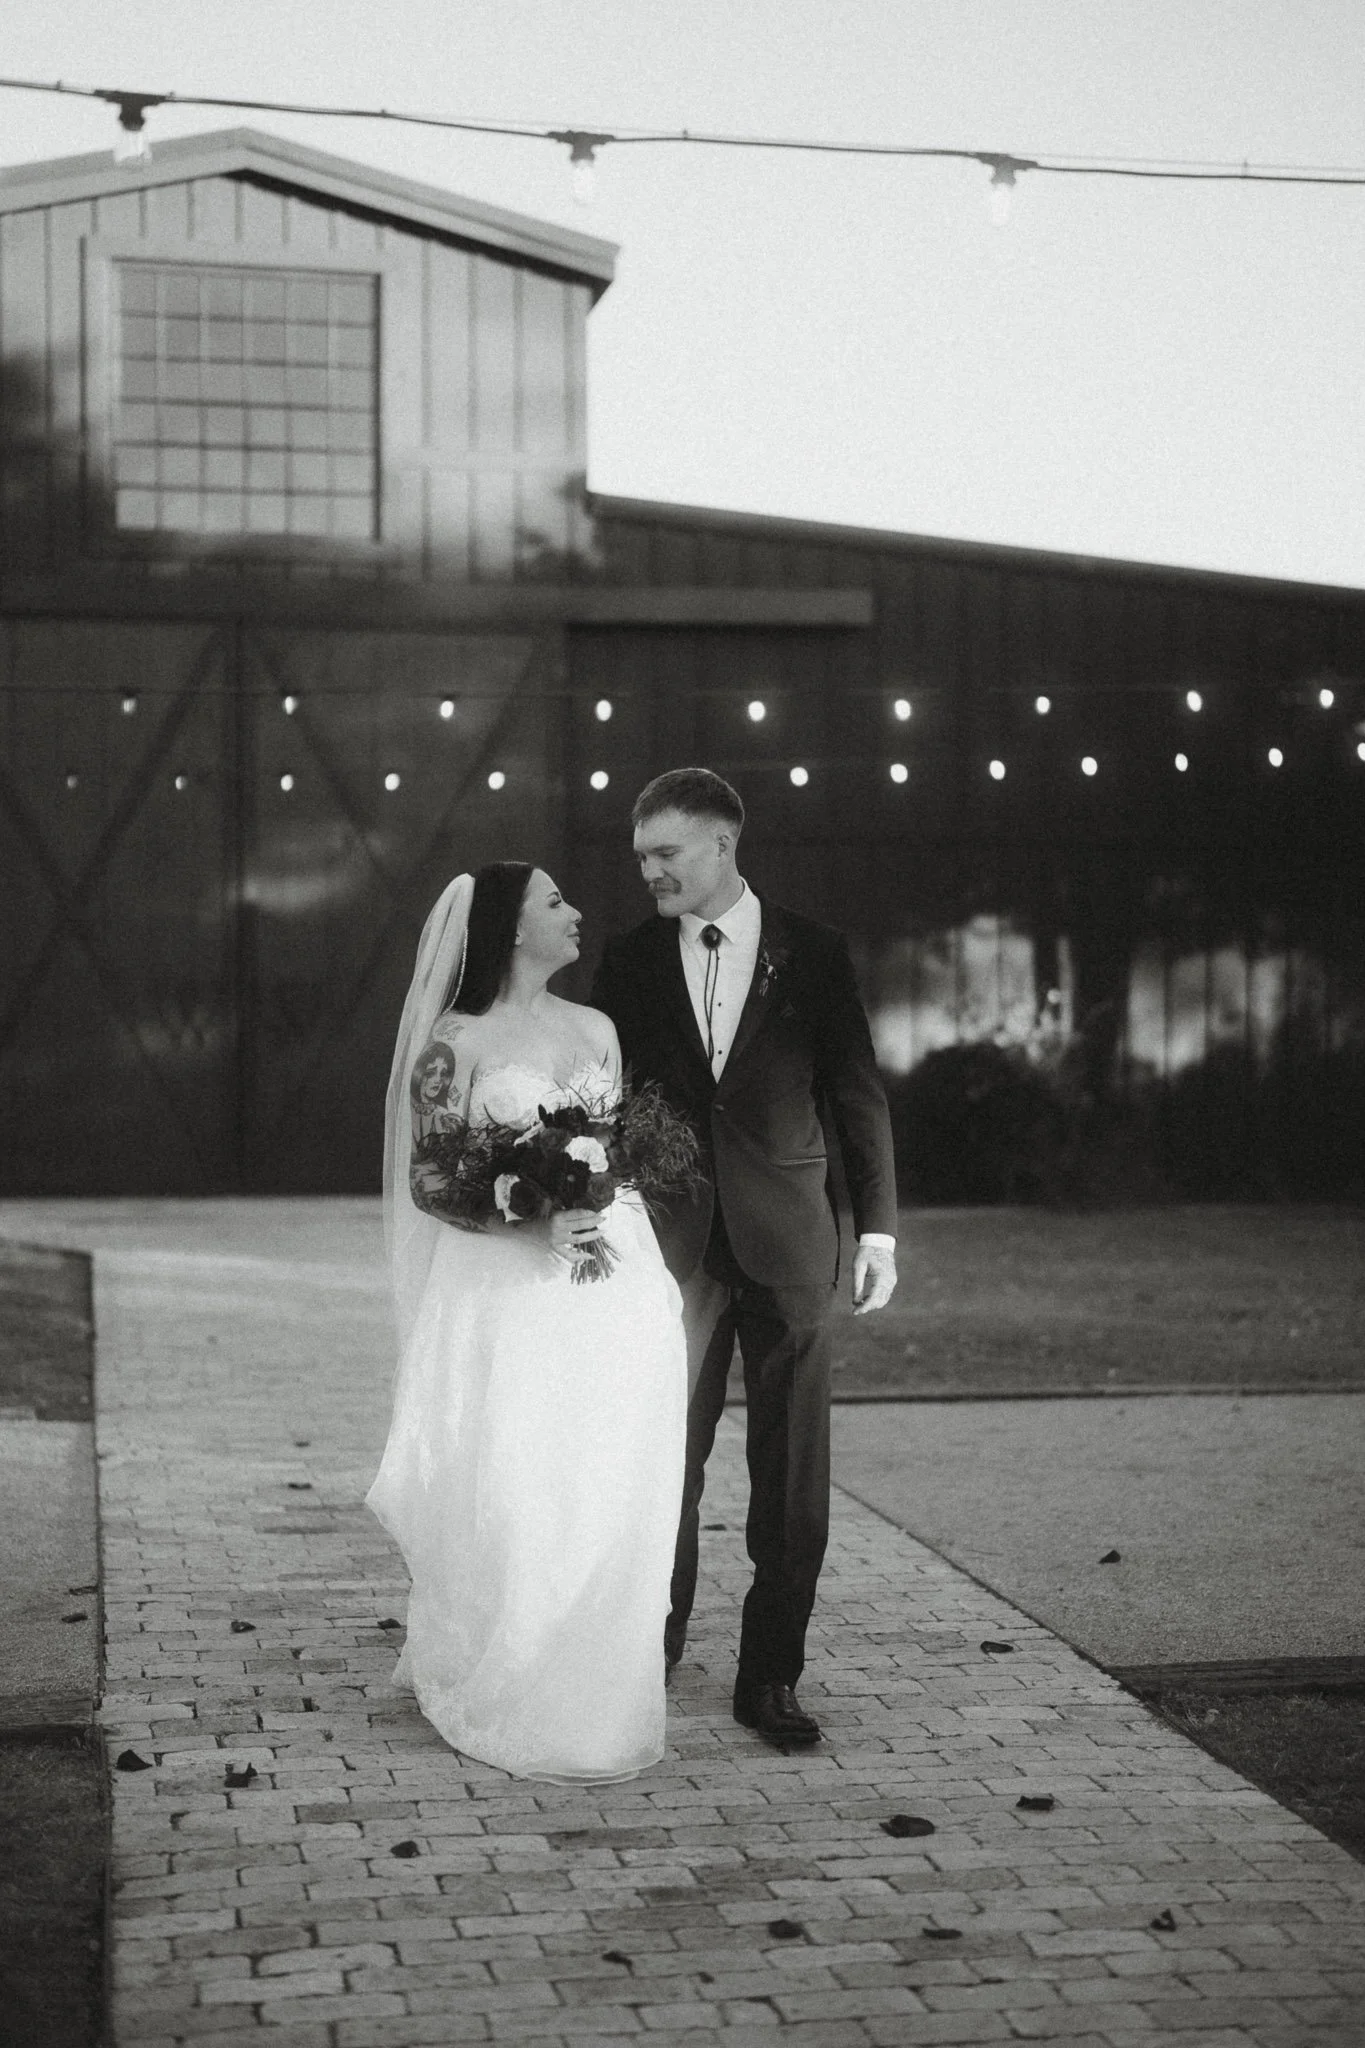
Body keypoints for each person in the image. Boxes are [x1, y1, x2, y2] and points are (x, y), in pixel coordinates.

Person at [591, 769, 898, 1748]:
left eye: (666, 853)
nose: (649, 873)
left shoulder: (814, 952)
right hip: (673, 1250)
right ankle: (655, 1645)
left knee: (792, 1471)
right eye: (641, 856)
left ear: (722, 844)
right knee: (662, 1461)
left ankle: (771, 1677)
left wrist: (877, 1228)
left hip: (792, 1244)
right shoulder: (632, 958)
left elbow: (855, 1090)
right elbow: (607, 1098)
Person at [366, 862, 687, 1781]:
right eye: (555, 900)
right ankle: (505, 1665)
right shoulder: (453, 1047)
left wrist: (593, 1197)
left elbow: (618, 1150)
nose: (576, 911)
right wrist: (531, 1211)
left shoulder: (597, 1030)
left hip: (608, 1281)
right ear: (510, 927)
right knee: (515, 1471)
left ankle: (600, 1666)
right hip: (503, 1292)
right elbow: (430, 1181)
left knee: (604, 1469)